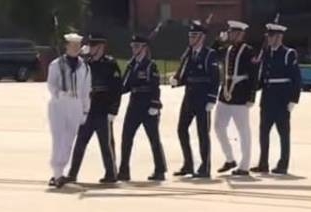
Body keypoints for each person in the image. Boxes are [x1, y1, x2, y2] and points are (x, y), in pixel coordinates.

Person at [65, 33, 122, 184]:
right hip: (88, 110)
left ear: (101, 47)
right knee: (80, 143)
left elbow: (117, 90)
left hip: (103, 110)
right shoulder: (86, 63)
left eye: (93, 46)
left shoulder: (110, 64)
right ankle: (72, 174)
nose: (90, 48)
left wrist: (113, 110)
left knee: (106, 145)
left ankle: (111, 174)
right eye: (90, 45)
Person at [170, 20, 220, 178]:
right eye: (190, 36)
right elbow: (186, 74)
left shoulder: (209, 54)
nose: (191, 38)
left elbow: (215, 78)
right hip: (189, 96)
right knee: (181, 129)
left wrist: (212, 99)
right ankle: (188, 163)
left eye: (194, 36)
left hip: (203, 98)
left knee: (203, 133)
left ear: (202, 37)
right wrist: (177, 81)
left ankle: (205, 167)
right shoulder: (189, 54)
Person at [251, 22, 301, 175]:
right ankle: (263, 163)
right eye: (268, 36)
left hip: (282, 98)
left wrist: (293, 99)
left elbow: (296, 78)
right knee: (263, 133)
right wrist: (253, 89)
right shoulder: (266, 53)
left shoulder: (288, 53)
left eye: (272, 36)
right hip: (267, 98)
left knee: (283, 134)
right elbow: (263, 76)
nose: (269, 38)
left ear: (279, 37)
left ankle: (283, 164)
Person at [117, 34, 167, 181]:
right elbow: (125, 86)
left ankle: (160, 170)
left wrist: (155, 104)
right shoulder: (131, 65)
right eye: (133, 46)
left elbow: (155, 87)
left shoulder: (151, 66)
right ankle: (124, 171)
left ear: (144, 48)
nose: (134, 49)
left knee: (154, 139)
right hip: (134, 104)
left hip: (148, 105)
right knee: (126, 137)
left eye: (137, 46)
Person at [46, 33, 92, 188]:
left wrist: (85, 109)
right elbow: (51, 83)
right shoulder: (56, 64)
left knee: (68, 140)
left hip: (75, 104)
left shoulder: (84, 67)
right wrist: (58, 93)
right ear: (66, 46)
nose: (75, 48)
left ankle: (61, 169)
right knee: (58, 138)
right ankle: (57, 173)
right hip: (59, 104)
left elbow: (86, 90)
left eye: (77, 45)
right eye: (72, 45)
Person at [214, 20, 259, 176]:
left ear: (240, 34)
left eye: (233, 32)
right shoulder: (228, 49)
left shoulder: (248, 51)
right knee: (218, 127)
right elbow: (212, 54)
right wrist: (219, 40)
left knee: (243, 130)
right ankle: (230, 159)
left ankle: (244, 165)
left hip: (240, 94)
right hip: (225, 93)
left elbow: (254, 75)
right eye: (229, 32)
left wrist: (252, 96)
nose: (230, 34)